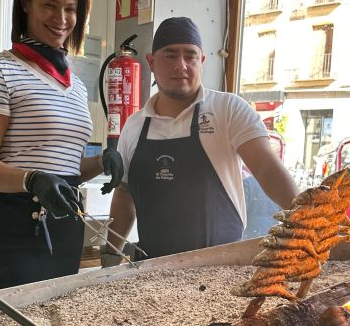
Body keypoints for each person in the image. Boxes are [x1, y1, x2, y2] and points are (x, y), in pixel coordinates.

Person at [0, 0, 122, 289]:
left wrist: (101, 163)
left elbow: (62, 169)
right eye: (49, 5)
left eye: (70, 8)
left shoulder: (76, 85)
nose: (61, 18)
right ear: (25, 3)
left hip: (65, 226)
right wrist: (32, 179)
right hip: (11, 227)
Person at [103, 17, 298, 263]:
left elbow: (266, 167)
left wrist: (307, 218)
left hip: (222, 267)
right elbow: (124, 195)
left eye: (190, 56)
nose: (181, 65)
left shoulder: (228, 109)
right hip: (152, 270)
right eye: (170, 55)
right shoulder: (134, 126)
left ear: (202, 61)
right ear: (151, 62)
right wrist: (110, 255)